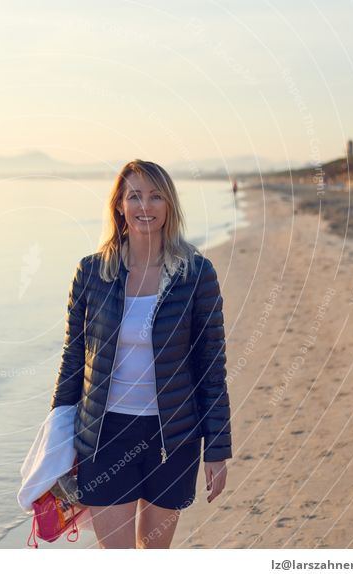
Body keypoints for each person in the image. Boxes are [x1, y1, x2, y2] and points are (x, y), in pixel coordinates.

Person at [50, 159, 232, 549]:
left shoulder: (196, 274)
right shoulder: (91, 273)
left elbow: (211, 369)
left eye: (155, 196)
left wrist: (217, 449)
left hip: (174, 439)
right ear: (119, 205)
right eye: (135, 196)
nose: (144, 206)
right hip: (104, 437)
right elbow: (72, 360)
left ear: (169, 206)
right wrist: (57, 440)